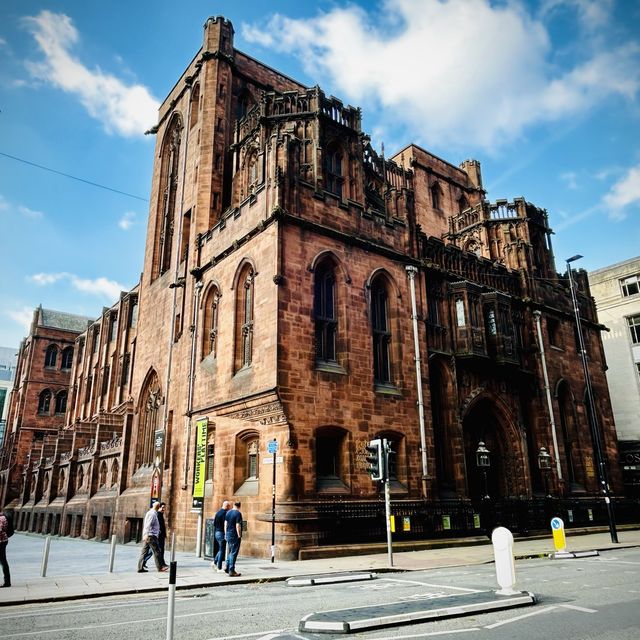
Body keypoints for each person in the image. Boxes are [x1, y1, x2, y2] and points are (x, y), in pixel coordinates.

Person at [138, 502, 168, 573]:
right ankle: (160, 568)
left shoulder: (151, 512)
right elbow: (148, 525)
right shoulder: (153, 514)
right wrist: (146, 534)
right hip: (151, 536)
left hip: (149, 535)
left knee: (144, 552)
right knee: (157, 552)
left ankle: (140, 567)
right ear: (158, 507)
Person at [224, 501, 243, 577]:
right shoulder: (238, 513)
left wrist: (225, 533)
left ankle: (227, 567)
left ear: (234, 505)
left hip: (228, 533)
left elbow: (225, 524)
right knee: (234, 553)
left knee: (230, 552)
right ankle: (231, 570)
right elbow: (237, 525)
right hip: (234, 535)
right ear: (239, 506)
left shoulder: (228, 512)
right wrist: (239, 535)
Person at [211, 500, 230, 573]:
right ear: (226, 506)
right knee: (222, 550)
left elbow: (214, 524)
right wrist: (225, 534)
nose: (229, 508)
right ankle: (219, 568)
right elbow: (225, 525)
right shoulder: (225, 513)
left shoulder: (218, 513)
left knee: (220, 549)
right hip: (221, 533)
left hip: (217, 532)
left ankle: (214, 562)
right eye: (229, 506)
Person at [0, 508, 11, 588]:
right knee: (3, 561)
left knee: (3, 561)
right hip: (3, 540)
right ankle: (7, 581)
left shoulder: (1, 518)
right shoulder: (3, 517)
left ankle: (7, 582)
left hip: (1, 542)